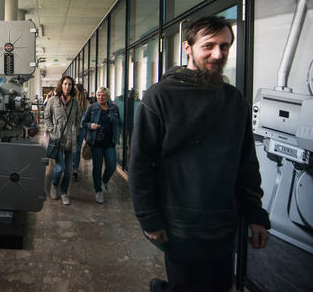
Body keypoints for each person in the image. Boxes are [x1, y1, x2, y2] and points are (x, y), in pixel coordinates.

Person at [128, 16, 270, 292]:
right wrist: (148, 217)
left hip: (223, 226)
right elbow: (141, 163)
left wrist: (255, 214)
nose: (218, 54)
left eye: (225, 46)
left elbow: (246, 163)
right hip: (179, 225)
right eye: (209, 46)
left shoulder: (233, 99)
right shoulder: (160, 97)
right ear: (187, 48)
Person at [44, 76, 82, 205]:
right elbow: (47, 116)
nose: (67, 87)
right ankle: (54, 185)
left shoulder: (75, 102)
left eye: (70, 84)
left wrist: (76, 131)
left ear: (72, 87)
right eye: (65, 84)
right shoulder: (53, 101)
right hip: (57, 138)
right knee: (60, 167)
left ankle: (64, 192)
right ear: (61, 85)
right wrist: (52, 130)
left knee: (68, 170)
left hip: (71, 140)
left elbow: (78, 119)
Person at [81, 87, 122, 204]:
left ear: (108, 97)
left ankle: (104, 181)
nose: (100, 97)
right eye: (99, 95)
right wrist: (91, 126)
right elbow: (83, 122)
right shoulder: (92, 107)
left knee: (112, 166)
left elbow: (119, 123)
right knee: (97, 167)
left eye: (103, 95)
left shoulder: (114, 108)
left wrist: (117, 134)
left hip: (110, 143)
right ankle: (98, 190)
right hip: (96, 143)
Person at [72, 83, 90, 182]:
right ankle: (74, 167)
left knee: (75, 148)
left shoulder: (83, 103)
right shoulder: (86, 103)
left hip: (77, 128)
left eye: (75, 89)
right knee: (76, 149)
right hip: (80, 128)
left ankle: (74, 167)